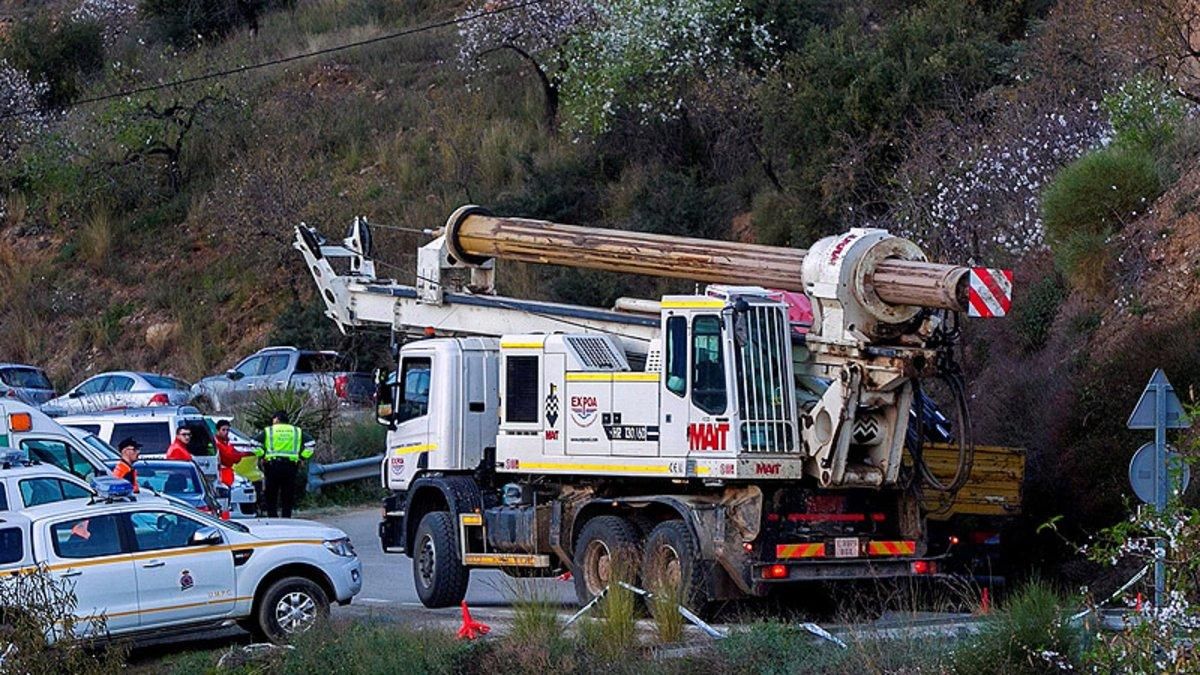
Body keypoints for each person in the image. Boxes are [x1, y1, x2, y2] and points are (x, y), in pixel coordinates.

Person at [253, 411, 312, 518]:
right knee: (288, 494)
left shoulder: (269, 430)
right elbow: (311, 443)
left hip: (272, 466)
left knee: (271, 494)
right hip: (290, 466)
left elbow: (253, 444)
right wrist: (302, 457)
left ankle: (273, 517)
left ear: (277, 419)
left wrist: (262, 455)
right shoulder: (296, 431)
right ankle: (286, 517)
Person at [214, 419, 252, 487]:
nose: (226, 432)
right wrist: (242, 455)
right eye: (223, 430)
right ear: (218, 430)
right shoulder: (217, 443)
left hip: (227, 472)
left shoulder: (227, 442)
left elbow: (234, 455)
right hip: (222, 472)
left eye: (227, 430)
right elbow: (229, 456)